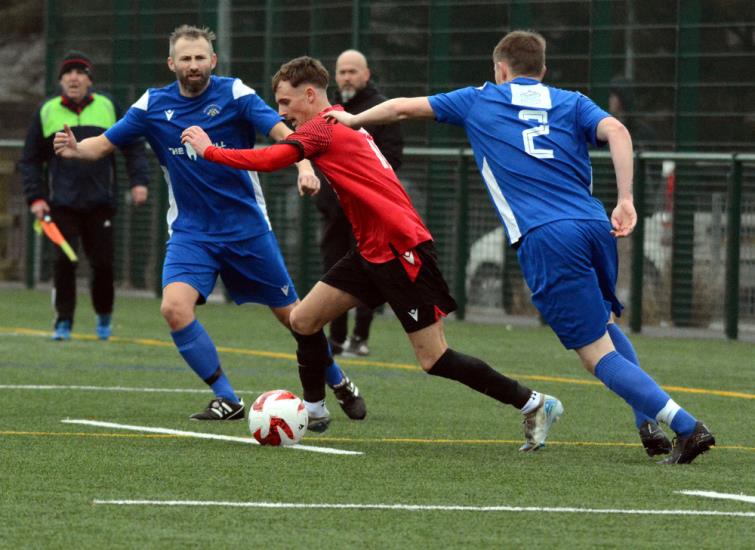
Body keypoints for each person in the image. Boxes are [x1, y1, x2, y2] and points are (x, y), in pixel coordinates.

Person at [325, 30, 716, 465]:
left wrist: (352, 121)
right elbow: (618, 130)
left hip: (548, 237)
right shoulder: (571, 100)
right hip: (592, 224)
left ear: (501, 69)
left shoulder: (481, 98)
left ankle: (686, 426)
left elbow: (400, 108)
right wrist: (625, 199)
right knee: (603, 326)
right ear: (543, 70)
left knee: (594, 355)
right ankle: (648, 423)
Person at [181, 55, 564, 453]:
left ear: (309, 95)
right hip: (371, 249)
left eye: (285, 102)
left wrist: (210, 151)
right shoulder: (336, 121)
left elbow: (273, 158)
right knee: (304, 319)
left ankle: (535, 403)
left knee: (434, 359)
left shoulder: (323, 128)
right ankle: (313, 409)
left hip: (401, 249)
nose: (281, 112)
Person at [52, 26, 364, 429]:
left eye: (201, 58)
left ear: (212, 61)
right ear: (172, 64)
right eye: (186, 59)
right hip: (192, 233)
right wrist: (77, 148)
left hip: (246, 228)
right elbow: (104, 144)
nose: (194, 65)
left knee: (295, 318)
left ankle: (338, 381)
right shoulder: (153, 105)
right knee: (174, 309)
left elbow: (285, 134)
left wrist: (304, 165)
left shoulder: (235, 95)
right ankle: (226, 398)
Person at [19, 51, 151, 342]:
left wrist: (139, 181)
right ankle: (63, 322)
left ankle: (104, 317)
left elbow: (133, 147)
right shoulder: (47, 110)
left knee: (102, 264)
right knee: (63, 263)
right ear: (61, 80)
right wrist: (36, 198)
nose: (74, 77)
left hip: (100, 203)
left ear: (90, 79)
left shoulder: (108, 106)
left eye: (80, 72)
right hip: (61, 204)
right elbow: (30, 160)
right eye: (68, 72)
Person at [313, 49, 404, 357]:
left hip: (367, 212)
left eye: (353, 71)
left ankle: (360, 337)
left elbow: (393, 158)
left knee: (369, 271)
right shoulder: (329, 109)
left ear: (367, 74)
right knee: (333, 270)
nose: (347, 77)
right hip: (333, 211)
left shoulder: (381, 109)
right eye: (342, 72)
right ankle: (336, 339)